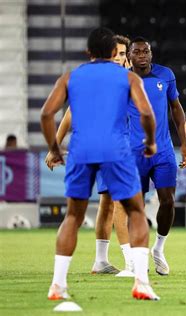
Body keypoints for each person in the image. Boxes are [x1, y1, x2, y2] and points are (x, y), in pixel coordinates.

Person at [42, 27, 159, 301]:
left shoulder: (71, 77)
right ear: (112, 53)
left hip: (81, 150)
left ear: (88, 52)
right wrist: (151, 142)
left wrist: (54, 148)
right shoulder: (127, 77)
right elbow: (146, 112)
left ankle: (58, 284)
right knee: (136, 211)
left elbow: (47, 114)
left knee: (73, 216)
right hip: (115, 150)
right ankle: (141, 281)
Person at [45, 35, 136, 277]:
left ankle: (100, 260)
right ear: (107, 54)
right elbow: (70, 113)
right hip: (110, 148)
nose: (121, 58)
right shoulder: (116, 80)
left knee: (106, 205)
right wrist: (54, 145)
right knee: (122, 204)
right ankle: (131, 264)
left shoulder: (123, 78)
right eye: (117, 54)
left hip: (113, 146)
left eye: (124, 54)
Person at [127, 36, 186, 276]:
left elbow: (176, 109)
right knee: (136, 206)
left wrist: (184, 145)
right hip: (134, 152)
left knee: (168, 201)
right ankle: (136, 257)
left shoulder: (165, 75)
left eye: (146, 51)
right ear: (129, 56)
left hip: (163, 151)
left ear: (151, 54)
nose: (142, 55)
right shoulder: (124, 81)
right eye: (137, 52)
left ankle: (159, 249)